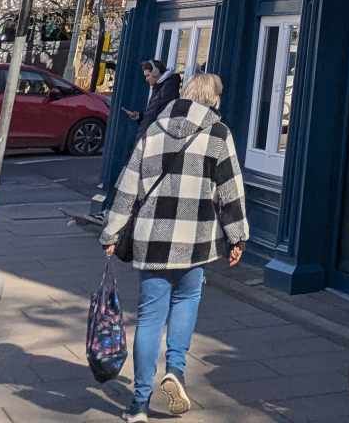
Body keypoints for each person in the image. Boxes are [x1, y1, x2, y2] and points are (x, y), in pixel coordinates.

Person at [100, 69, 249, 423]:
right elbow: (230, 190)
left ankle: (139, 403)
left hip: (151, 239)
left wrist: (111, 233)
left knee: (150, 317)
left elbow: (128, 186)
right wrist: (237, 236)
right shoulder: (218, 133)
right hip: (195, 240)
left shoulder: (154, 130)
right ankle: (175, 370)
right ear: (214, 99)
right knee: (187, 300)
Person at [124, 57, 180, 126]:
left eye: (147, 75)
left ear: (156, 72)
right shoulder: (159, 88)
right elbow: (154, 113)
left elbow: (158, 116)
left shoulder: (168, 88)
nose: (146, 79)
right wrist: (139, 116)